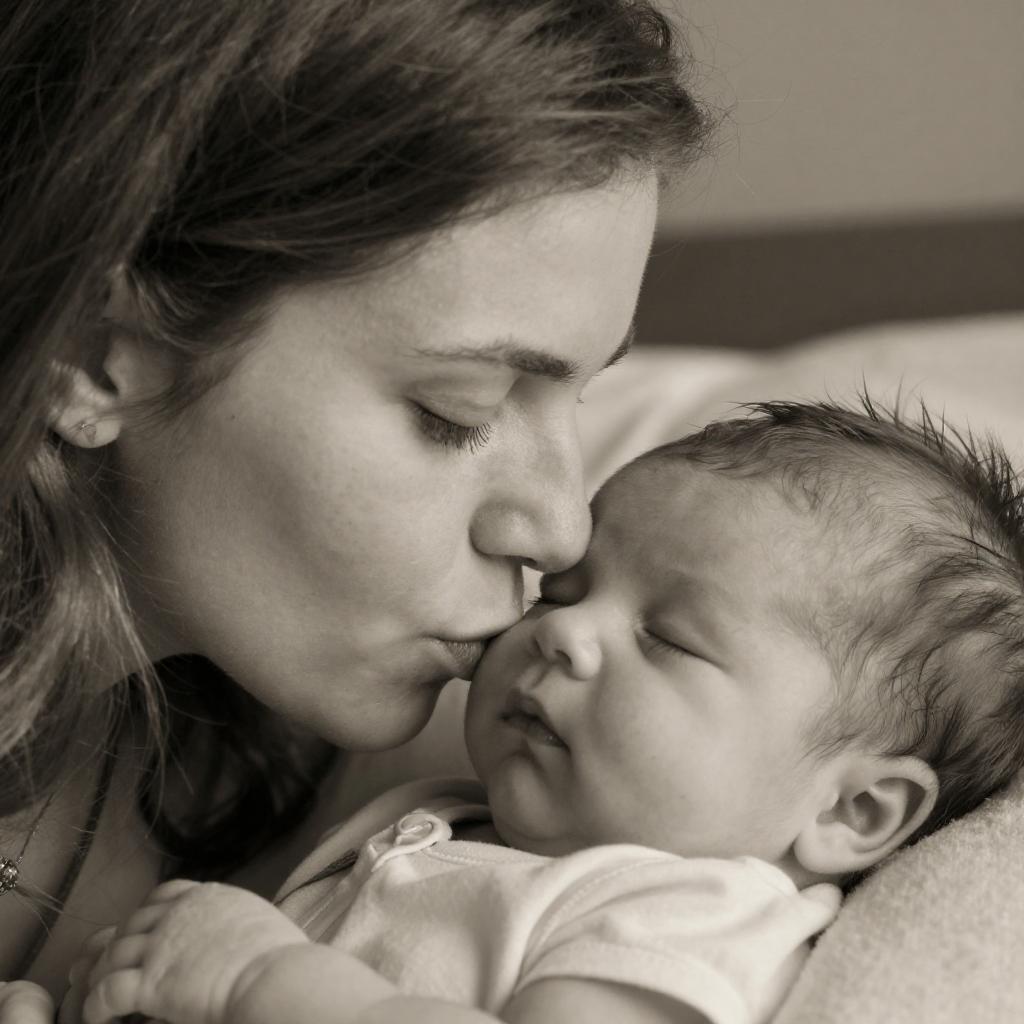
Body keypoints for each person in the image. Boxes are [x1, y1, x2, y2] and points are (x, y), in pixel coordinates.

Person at [0, 1, 711, 1016]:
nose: (561, 532)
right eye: (458, 412)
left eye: (583, 396)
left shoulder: (400, 807)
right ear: (93, 354)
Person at [71, 400, 1024, 1024]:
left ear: (853, 809)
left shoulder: (688, 916)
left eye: (669, 639)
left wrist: (260, 982)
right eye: (561, 593)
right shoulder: (440, 817)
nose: (560, 634)